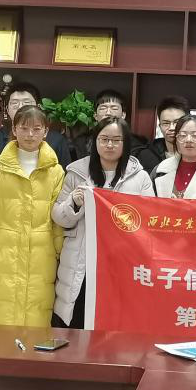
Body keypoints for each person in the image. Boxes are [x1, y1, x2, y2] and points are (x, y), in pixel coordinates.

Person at [52, 116, 155, 328]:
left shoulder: (140, 177)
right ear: (95, 141)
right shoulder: (76, 173)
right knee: (78, 325)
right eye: (104, 139)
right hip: (81, 263)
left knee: (115, 326)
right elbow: (59, 217)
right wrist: (74, 202)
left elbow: (149, 221)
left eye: (116, 140)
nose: (110, 145)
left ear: (126, 143)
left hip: (121, 265)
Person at [0, 105, 65, 326]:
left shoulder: (55, 171)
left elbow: (58, 219)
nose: (30, 134)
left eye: (36, 129)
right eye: (24, 128)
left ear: (45, 132)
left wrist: (61, 255)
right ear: (14, 129)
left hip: (42, 256)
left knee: (35, 317)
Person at [0, 80, 71, 175]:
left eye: (26, 102)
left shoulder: (57, 140)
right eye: (15, 103)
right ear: (7, 110)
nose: (20, 107)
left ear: (38, 107)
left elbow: (65, 179)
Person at [71, 89, 147, 160]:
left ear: (123, 115)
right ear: (95, 115)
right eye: (103, 108)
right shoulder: (81, 143)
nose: (108, 113)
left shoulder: (137, 146)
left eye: (114, 108)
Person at [133, 95, 189, 174]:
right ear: (160, 126)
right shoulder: (146, 155)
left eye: (177, 122)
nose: (172, 128)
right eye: (166, 123)